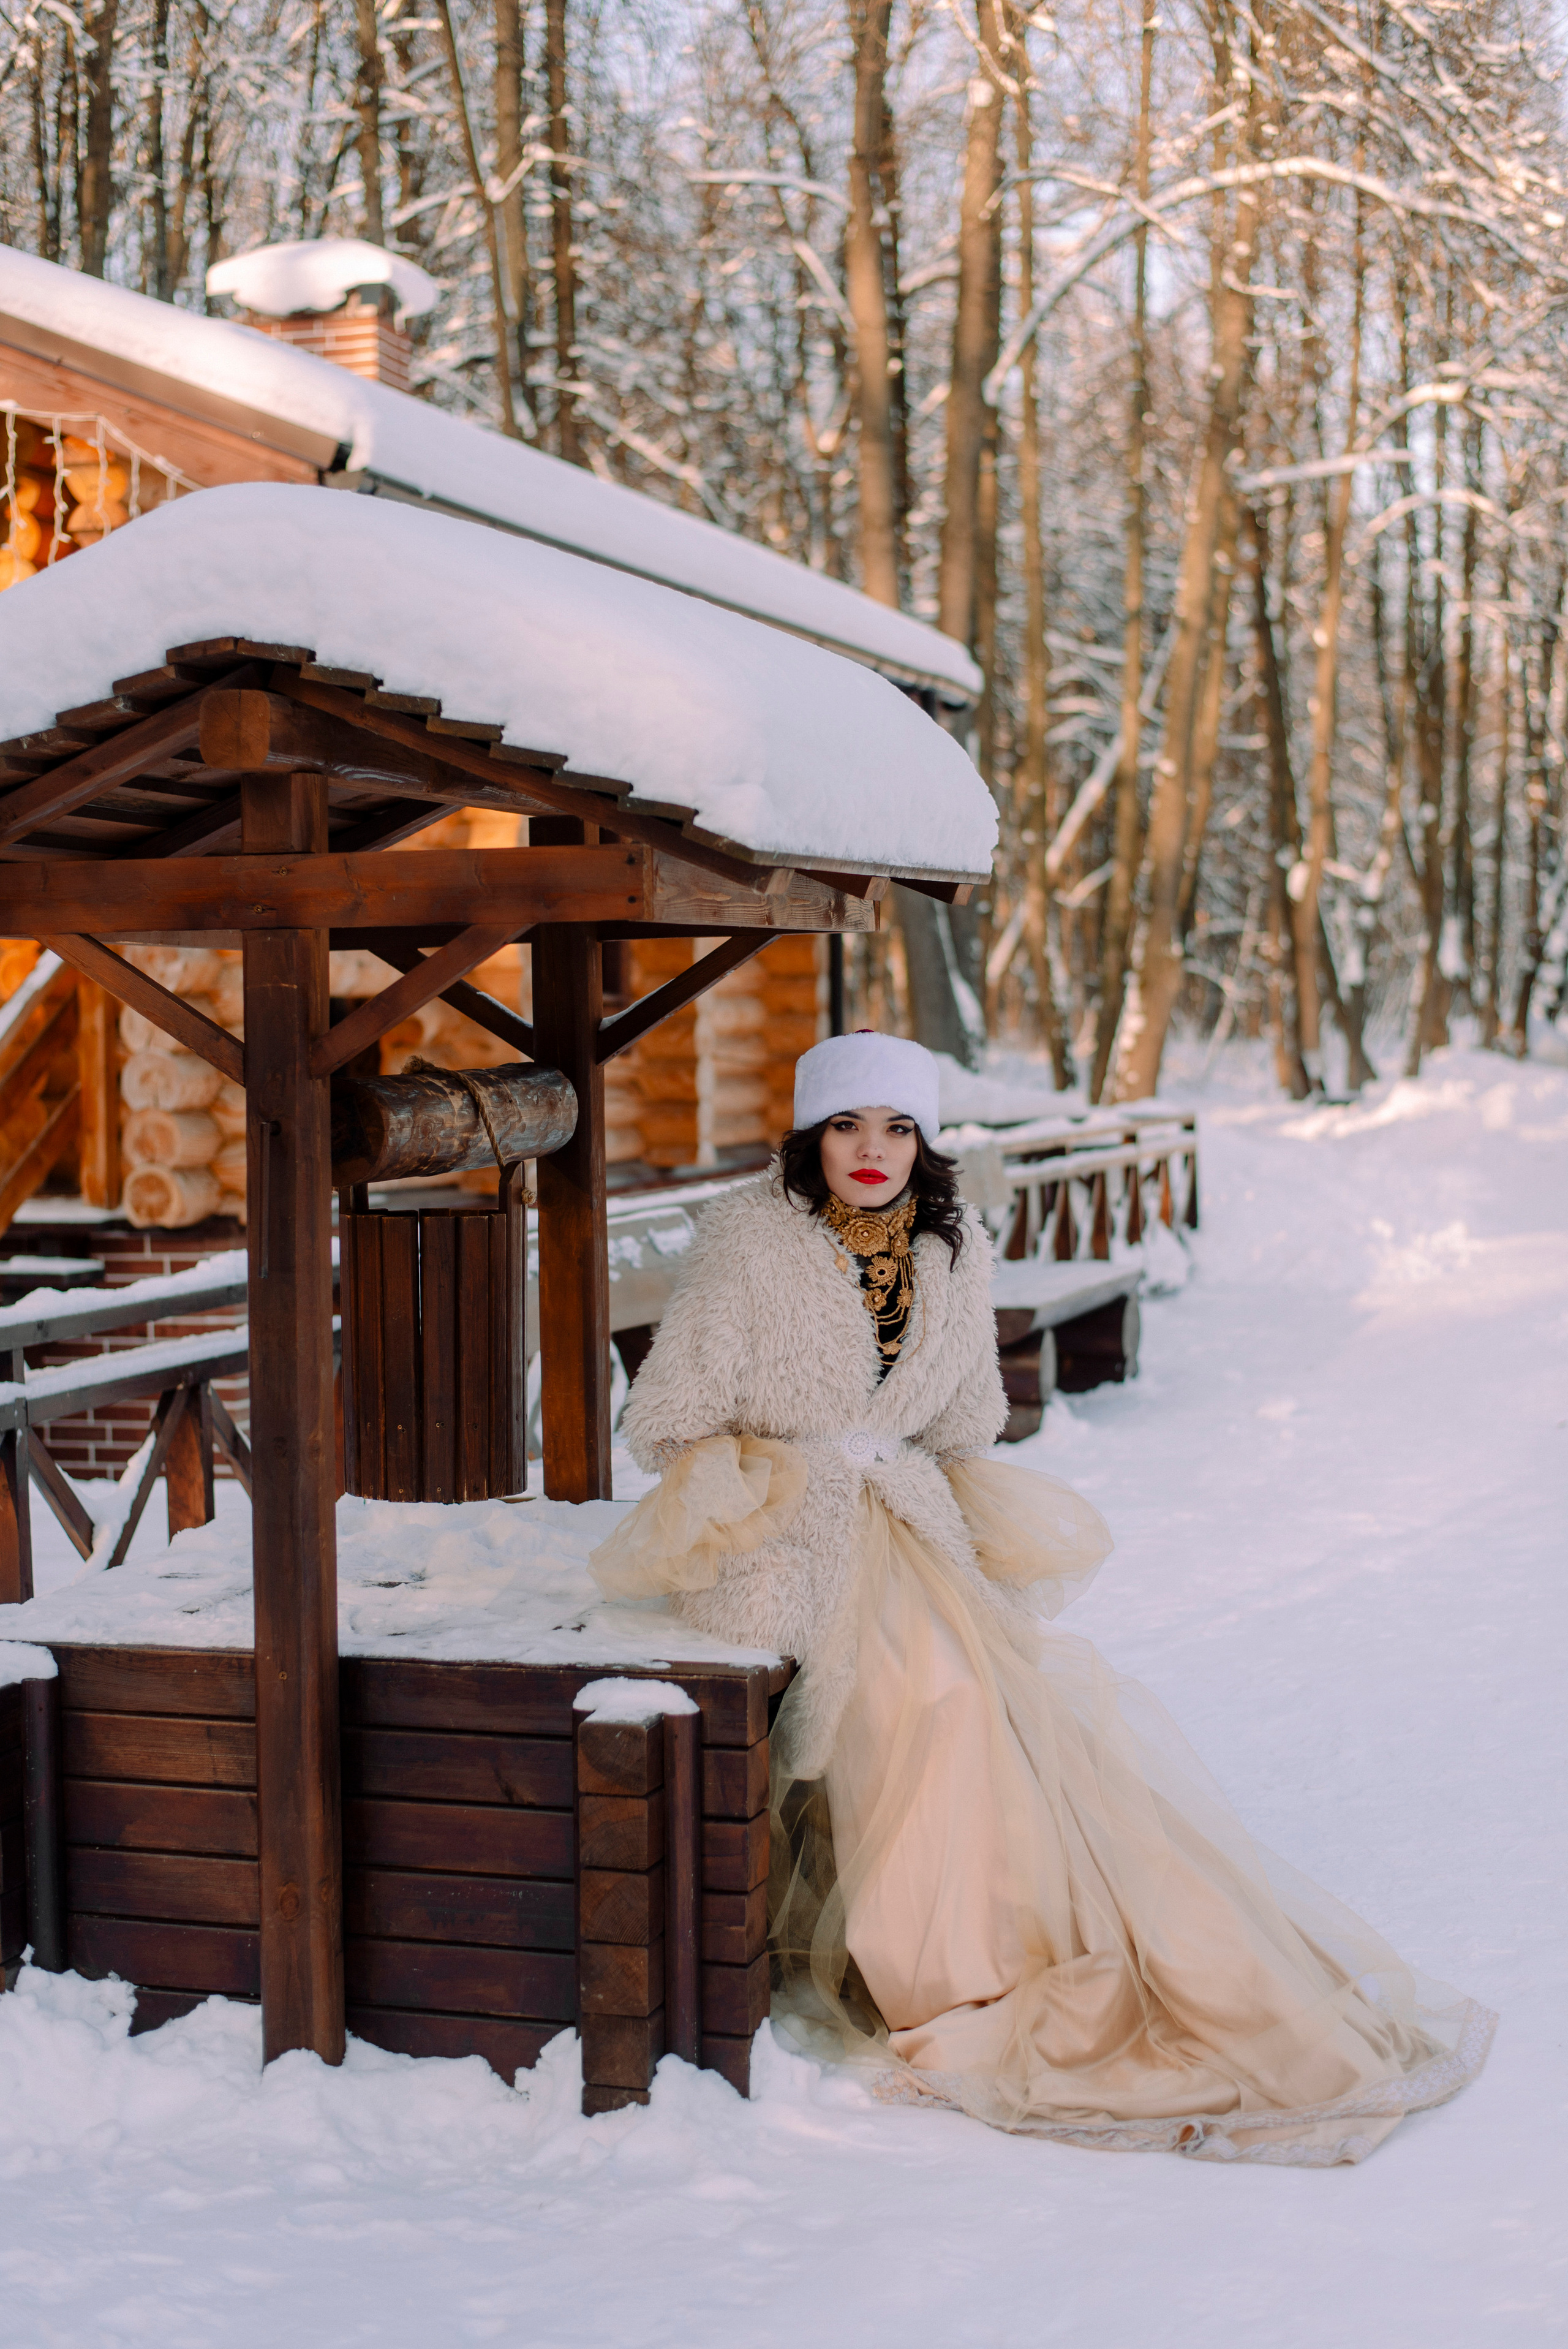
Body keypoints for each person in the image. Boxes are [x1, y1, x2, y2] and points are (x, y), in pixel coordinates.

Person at [592, 1031, 1494, 2163]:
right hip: (792, 1531)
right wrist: (795, 1459)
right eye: (847, 1126)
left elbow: (969, 1417)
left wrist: (900, 1444)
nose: (872, 1151)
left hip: (908, 1524)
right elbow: (665, 1417)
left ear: (925, 1143)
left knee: (997, 1705)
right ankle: (952, 1977)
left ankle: (1039, 1952)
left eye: (898, 1128)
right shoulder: (751, 1245)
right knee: (937, 1700)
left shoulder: (952, 1249)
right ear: (808, 1137)